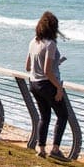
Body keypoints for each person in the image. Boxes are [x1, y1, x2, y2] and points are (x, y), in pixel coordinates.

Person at [25, 10, 70, 159]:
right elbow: (47, 71)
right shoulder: (50, 44)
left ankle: (41, 148)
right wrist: (58, 87)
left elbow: (28, 66)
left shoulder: (33, 42)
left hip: (33, 83)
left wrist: (56, 63)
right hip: (47, 84)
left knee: (44, 116)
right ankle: (55, 149)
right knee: (63, 115)